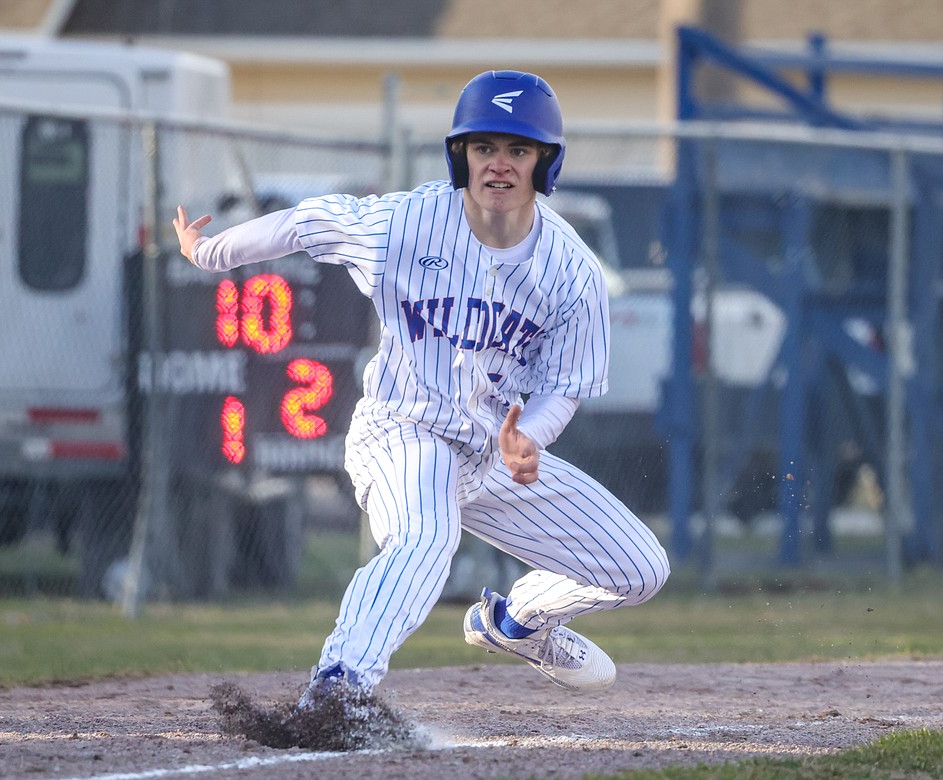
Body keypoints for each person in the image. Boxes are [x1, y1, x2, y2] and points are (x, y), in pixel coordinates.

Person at [173, 70, 670, 701]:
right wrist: (210, 252)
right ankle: (340, 685)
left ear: (546, 163)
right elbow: (306, 224)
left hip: (492, 451)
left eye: (518, 150)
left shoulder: (571, 268)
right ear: (460, 154)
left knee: (638, 568)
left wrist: (532, 439)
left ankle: (517, 624)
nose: (499, 164)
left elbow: (565, 383)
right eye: (484, 147)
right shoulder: (407, 222)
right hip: (403, 428)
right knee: (425, 538)